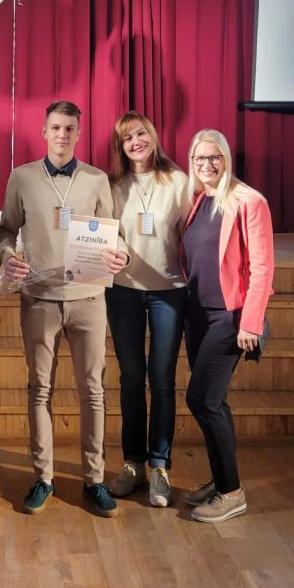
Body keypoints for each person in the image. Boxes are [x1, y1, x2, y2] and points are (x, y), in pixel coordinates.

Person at [0, 100, 128, 517]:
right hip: (39, 298)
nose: (63, 135)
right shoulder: (22, 177)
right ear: (44, 131)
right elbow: (4, 231)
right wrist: (7, 256)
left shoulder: (96, 179)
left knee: (93, 391)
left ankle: (94, 479)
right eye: (56, 127)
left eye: (70, 128)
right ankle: (44, 478)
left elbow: (114, 233)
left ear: (79, 134)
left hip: (89, 298)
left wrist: (122, 253)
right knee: (40, 389)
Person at [181, 129, 274, 523]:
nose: (207, 164)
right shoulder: (197, 199)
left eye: (214, 157)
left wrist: (250, 324)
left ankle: (232, 493)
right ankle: (222, 480)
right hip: (197, 316)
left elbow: (262, 267)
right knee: (214, 401)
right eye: (200, 158)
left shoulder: (249, 201)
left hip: (229, 318)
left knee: (202, 400)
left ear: (226, 158)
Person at [106, 112, 191, 508]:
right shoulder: (112, 186)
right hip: (123, 291)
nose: (136, 142)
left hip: (169, 292)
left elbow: (193, 232)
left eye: (141, 134)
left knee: (162, 380)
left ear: (153, 136)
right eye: (127, 138)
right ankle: (133, 464)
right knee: (130, 378)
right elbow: (107, 234)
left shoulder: (178, 182)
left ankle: (160, 465)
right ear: (120, 147)